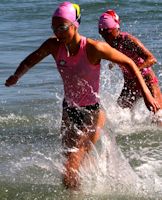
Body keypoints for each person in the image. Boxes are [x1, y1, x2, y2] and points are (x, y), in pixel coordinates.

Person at [5, 2, 160, 189]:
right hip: (68, 110)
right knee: (72, 162)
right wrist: (17, 75)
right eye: (54, 28)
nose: (57, 33)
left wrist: (146, 94)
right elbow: (33, 58)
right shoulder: (53, 46)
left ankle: (80, 191)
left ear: (75, 25)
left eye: (62, 27)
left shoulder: (93, 48)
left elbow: (130, 63)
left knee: (70, 169)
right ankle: (87, 186)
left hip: (91, 114)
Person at [98, 10, 162, 110]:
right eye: (102, 33)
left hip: (147, 80)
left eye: (108, 33)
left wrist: (135, 70)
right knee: (120, 113)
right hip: (129, 83)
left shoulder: (127, 40)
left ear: (116, 28)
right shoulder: (112, 45)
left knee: (158, 115)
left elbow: (151, 59)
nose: (105, 37)